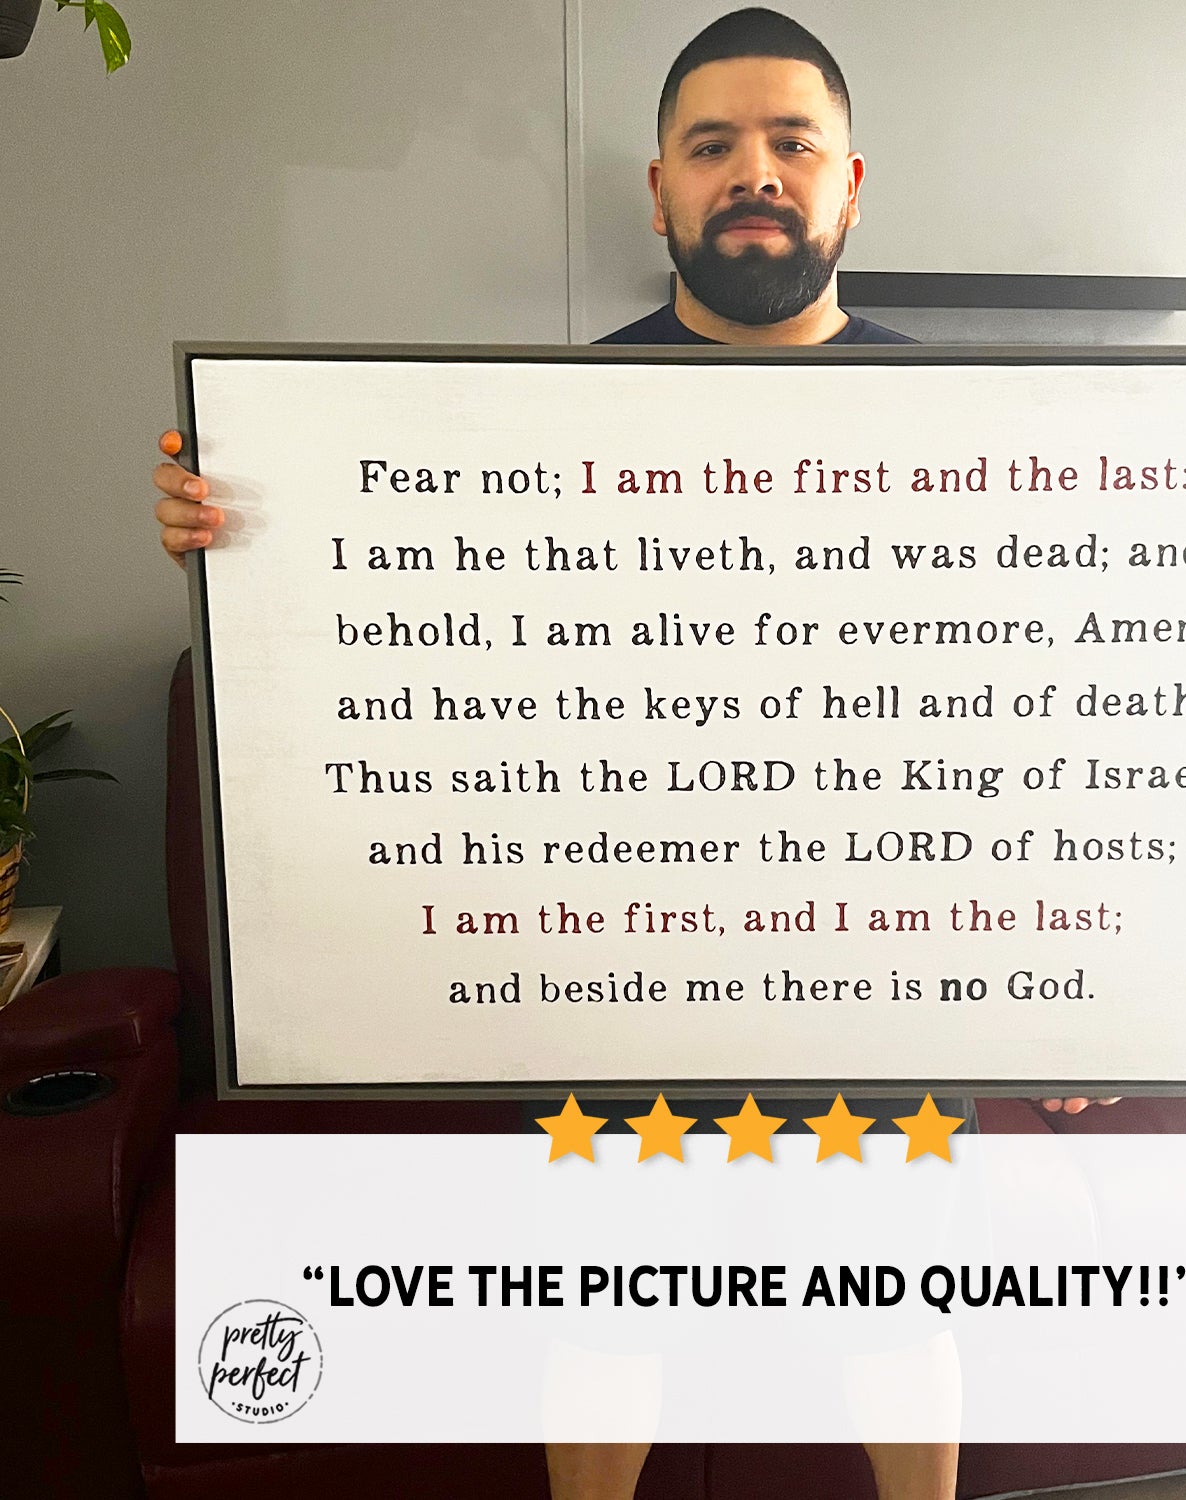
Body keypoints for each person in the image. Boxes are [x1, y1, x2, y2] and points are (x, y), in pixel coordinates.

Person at [152, 11, 1116, 1496]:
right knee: (612, 1323)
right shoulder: (534, 424)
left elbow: (1060, 717)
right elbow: (402, 640)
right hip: (621, 969)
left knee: (896, 1322)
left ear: (851, 183)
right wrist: (238, 542)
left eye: (791, 144)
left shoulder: (986, 423)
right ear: (655, 187)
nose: (756, 174)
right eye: (714, 145)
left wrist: (1095, 993)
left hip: (879, 978)